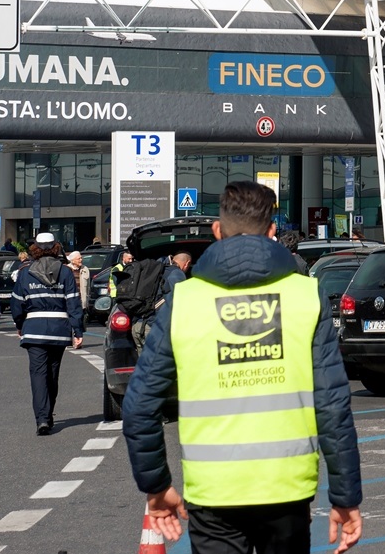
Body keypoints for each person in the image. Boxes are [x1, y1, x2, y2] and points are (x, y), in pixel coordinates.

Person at [122, 181, 363, 553]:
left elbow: (139, 405)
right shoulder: (304, 296)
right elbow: (332, 404)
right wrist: (345, 497)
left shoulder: (184, 301)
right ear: (272, 234)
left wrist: (156, 487)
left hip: (213, 494)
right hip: (286, 490)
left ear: (217, 232)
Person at [11, 232, 84, 435]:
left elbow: (17, 303)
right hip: (59, 330)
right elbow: (73, 303)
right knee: (52, 374)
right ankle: (48, 413)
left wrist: (19, 323)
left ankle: (42, 419)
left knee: (38, 375)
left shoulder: (25, 272)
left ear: (35, 248)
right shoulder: (66, 272)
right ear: (56, 247)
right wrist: (78, 329)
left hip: (33, 330)